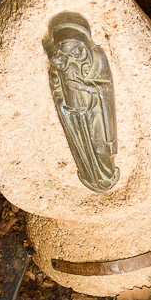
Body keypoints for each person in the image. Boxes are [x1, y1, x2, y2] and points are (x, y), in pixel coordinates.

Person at [44, 12, 119, 193]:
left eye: (75, 50)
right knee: (81, 147)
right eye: (66, 51)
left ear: (83, 45)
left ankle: (106, 175)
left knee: (100, 148)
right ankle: (89, 176)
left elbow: (106, 87)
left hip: (96, 112)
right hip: (73, 115)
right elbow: (57, 89)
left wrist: (85, 88)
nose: (72, 55)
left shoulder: (97, 57)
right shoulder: (61, 65)